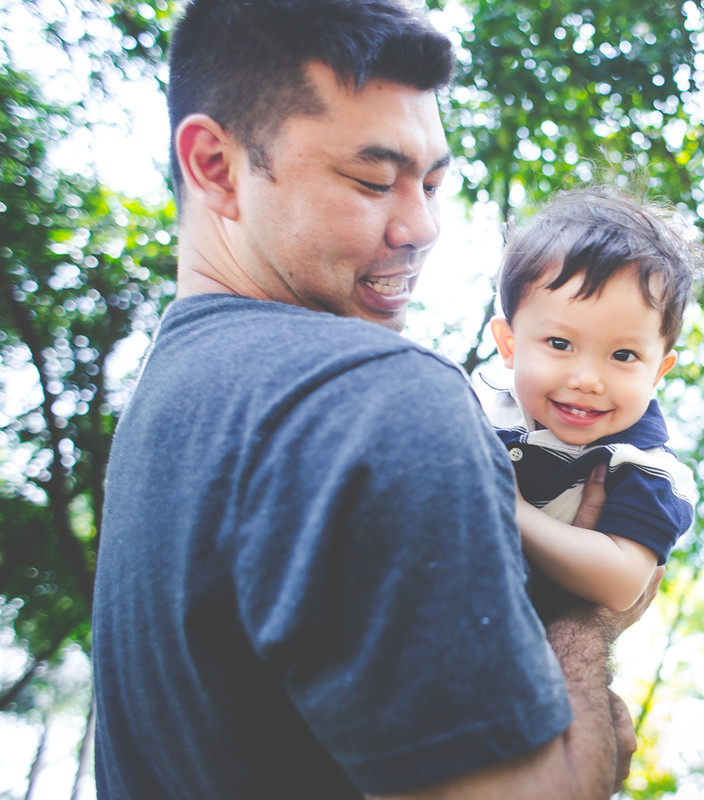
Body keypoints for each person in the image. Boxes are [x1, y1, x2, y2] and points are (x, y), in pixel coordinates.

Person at [91, 1, 658, 798]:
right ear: (216, 166)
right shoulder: (373, 398)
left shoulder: (172, 407)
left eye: (431, 182)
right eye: (372, 181)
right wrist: (585, 628)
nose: (423, 225)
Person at [488, 188, 704, 614]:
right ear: (509, 343)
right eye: (560, 343)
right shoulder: (476, 405)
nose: (587, 380)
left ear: (659, 371)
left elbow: (622, 583)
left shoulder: (645, 466)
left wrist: (509, 509)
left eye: (623, 355)